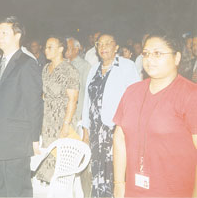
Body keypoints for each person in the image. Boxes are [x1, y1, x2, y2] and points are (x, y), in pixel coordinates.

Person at [113, 32, 197, 198]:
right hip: (133, 191)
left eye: (158, 53)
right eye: (146, 54)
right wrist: (118, 184)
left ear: (177, 58)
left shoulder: (190, 95)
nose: (149, 59)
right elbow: (119, 138)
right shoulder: (132, 92)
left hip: (174, 192)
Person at [0, 16, 43, 197]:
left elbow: (34, 104)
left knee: (17, 189)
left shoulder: (27, 63)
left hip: (16, 140)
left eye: (4, 33)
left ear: (17, 35)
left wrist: (34, 139)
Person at [82, 33, 140, 197]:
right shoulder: (93, 69)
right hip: (95, 132)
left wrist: (126, 128)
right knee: (97, 171)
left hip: (115, 130)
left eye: (108, 43)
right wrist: (85, 130)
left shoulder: (127, 66)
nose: (103, 47)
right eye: (99, 44)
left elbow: (134, 99)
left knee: (114, 172)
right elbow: (87, 100)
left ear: (116, 47)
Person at [36, 36, 80, 182]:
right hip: (47, 120)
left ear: (61, 49)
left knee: (60, 159)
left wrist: (66, 125)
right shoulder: (45, 68)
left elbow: (73, 100)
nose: (46, 50)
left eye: (50, 47)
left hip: (62, 120)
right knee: (47, 154)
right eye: (46, 47)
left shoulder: (70, 70)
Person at [65, 36, 92, 197]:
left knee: (81, 161)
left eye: (68, 48)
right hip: (67, 119)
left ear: (77, 49)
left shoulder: (84, 67)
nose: (66, 50)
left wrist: (83, 121)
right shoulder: (65, 65)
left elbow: (86, 96)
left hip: (79, 119)